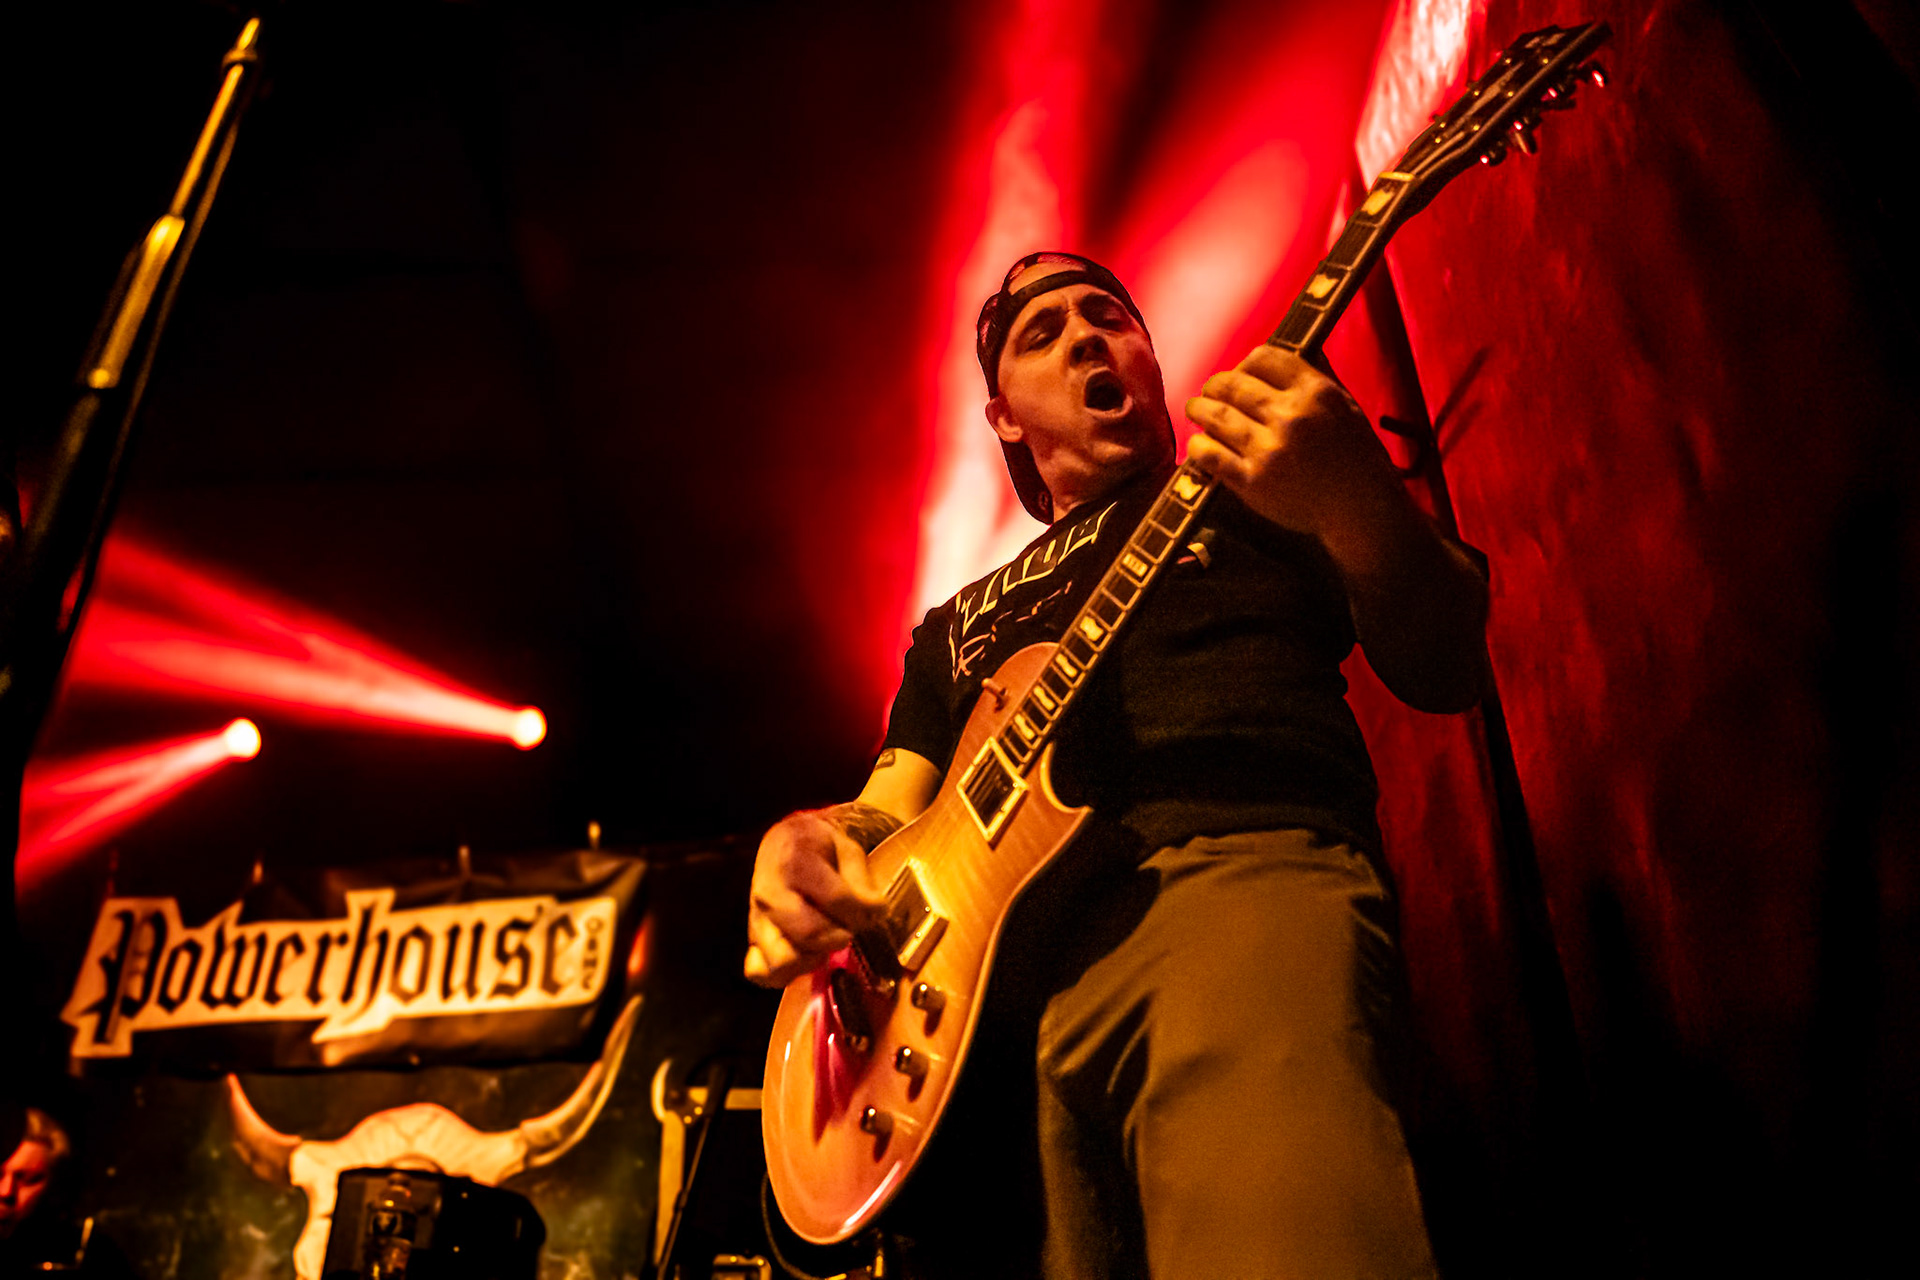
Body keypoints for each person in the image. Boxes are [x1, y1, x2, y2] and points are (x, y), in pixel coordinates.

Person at [745, 251, 1489, 1279]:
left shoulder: (1259, 489)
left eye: (1109, 316)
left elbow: (1448, 665)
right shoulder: (954, 625)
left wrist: (1357, 493)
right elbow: (887, 809)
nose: (1087, 337)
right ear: (1004, 416)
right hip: (990, 1023)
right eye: (1043, 333)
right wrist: (803, 843)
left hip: (1226, 885)